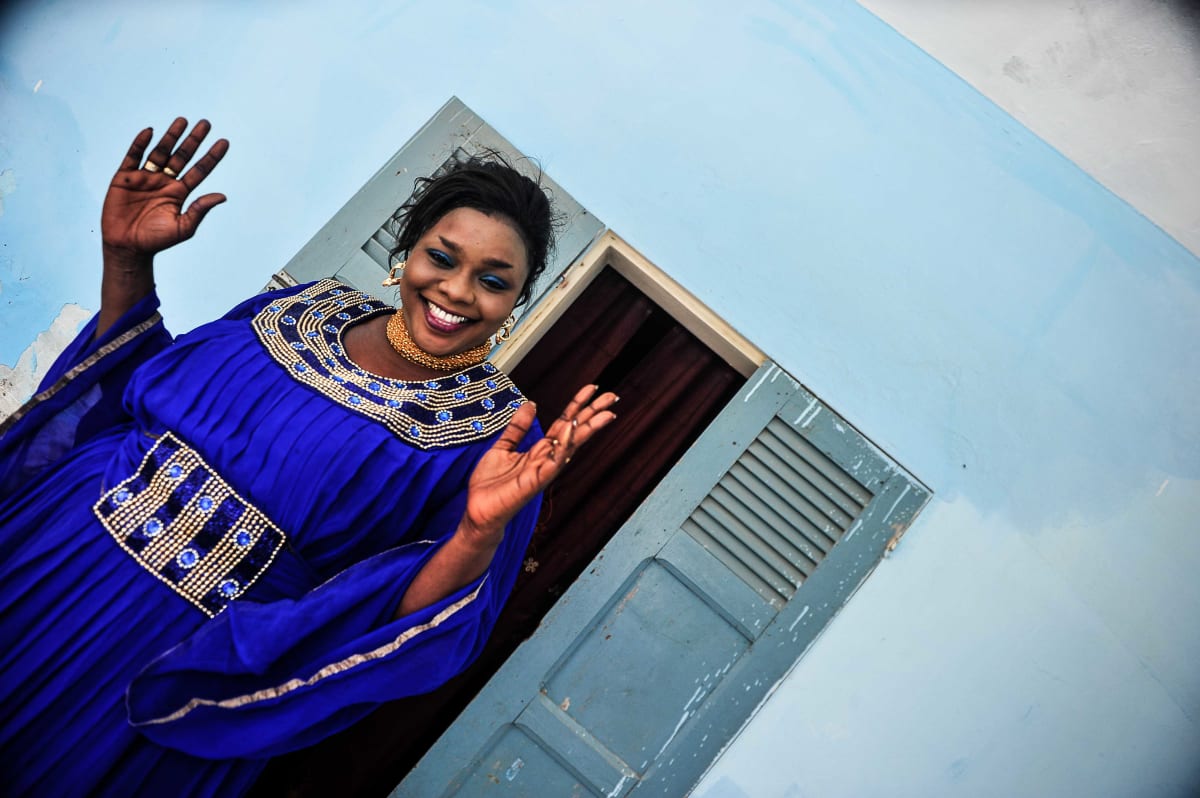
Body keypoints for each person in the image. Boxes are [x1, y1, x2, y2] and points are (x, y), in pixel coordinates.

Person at [0, 117, 617, 796]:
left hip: (181, 660)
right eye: (442, 258)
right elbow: (137, 393)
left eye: (493, 281)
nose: (457, 291)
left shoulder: (500, 433)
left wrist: (475, 532)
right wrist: (126, 262)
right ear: (406, 253)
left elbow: (409, 624)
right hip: (49, 561)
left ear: (516, 303)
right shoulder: (302, 308)